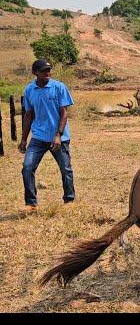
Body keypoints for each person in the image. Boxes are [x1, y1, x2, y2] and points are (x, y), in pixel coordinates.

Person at [18, 59, 76, 211]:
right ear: (35, 73)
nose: (48, 73)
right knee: (27, 167)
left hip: (59, 138)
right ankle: (31, 203)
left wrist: (58, 134)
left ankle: (69, 200)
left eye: (49, 70)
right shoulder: (29, 90)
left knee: (66, 169)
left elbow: (64, 113)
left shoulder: (59, 87)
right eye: (44, 71)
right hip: (38, 137)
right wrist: (24, 139)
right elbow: (29, 115)